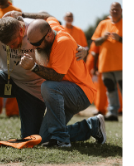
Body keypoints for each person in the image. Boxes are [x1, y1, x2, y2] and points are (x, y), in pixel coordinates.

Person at [21, 17, 105, 147]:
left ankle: (61, 139)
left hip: (81, 93)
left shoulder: (62, 43)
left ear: (49, 36)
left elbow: (56, 77)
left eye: (37, 44)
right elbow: (46, 15)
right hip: (63, 93)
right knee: (43, 138)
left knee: (48, 86)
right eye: (31, 43)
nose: (34, 48)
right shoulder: (50, 26)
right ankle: (92, 126)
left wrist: (33, 67)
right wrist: (21, 14)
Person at [0, 13, 47, 141]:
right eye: (6, 45)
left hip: (32, 85)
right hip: (6, 78)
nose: (10, 47)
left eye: (13, 43)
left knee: (31, 138)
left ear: (21, 31)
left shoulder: (35, 28)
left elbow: (53, 22)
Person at [92, 3, 123, 121]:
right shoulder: (103, 24)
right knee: (110, 89)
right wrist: (103, 38)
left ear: (121, 10)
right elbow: (96, 42)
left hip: (122, 64)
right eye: (113, 9)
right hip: (105, 64)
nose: (115, 11)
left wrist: (120, 39)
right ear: (110, 11)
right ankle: (112, 113)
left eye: (117, 9)